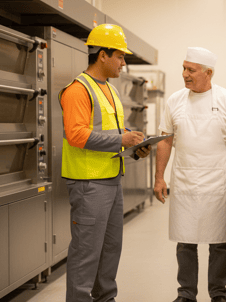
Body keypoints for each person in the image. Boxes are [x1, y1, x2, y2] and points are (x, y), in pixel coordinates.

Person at [154, 47, 226, 302]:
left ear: (209, 72)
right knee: (185, 242)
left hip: (217, 182)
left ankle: (218, 294)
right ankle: (186, 294)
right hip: (184, 181)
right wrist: (160, 176)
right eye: (184, 68)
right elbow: (164, 140)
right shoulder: (175, 100)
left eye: (191, 70)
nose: (184, 74)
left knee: (218, 243)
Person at [59, 24, 151, 302]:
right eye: (120, 56)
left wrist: (134, 147)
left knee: (110, 250)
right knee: (86, 252)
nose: (123, 62)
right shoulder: (77, 90)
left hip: (111, 179)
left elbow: (111, 133)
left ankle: (105, 298)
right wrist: (121, 140)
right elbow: (76, 134)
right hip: (88, 183)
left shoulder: (109, 90)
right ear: (102, 54)